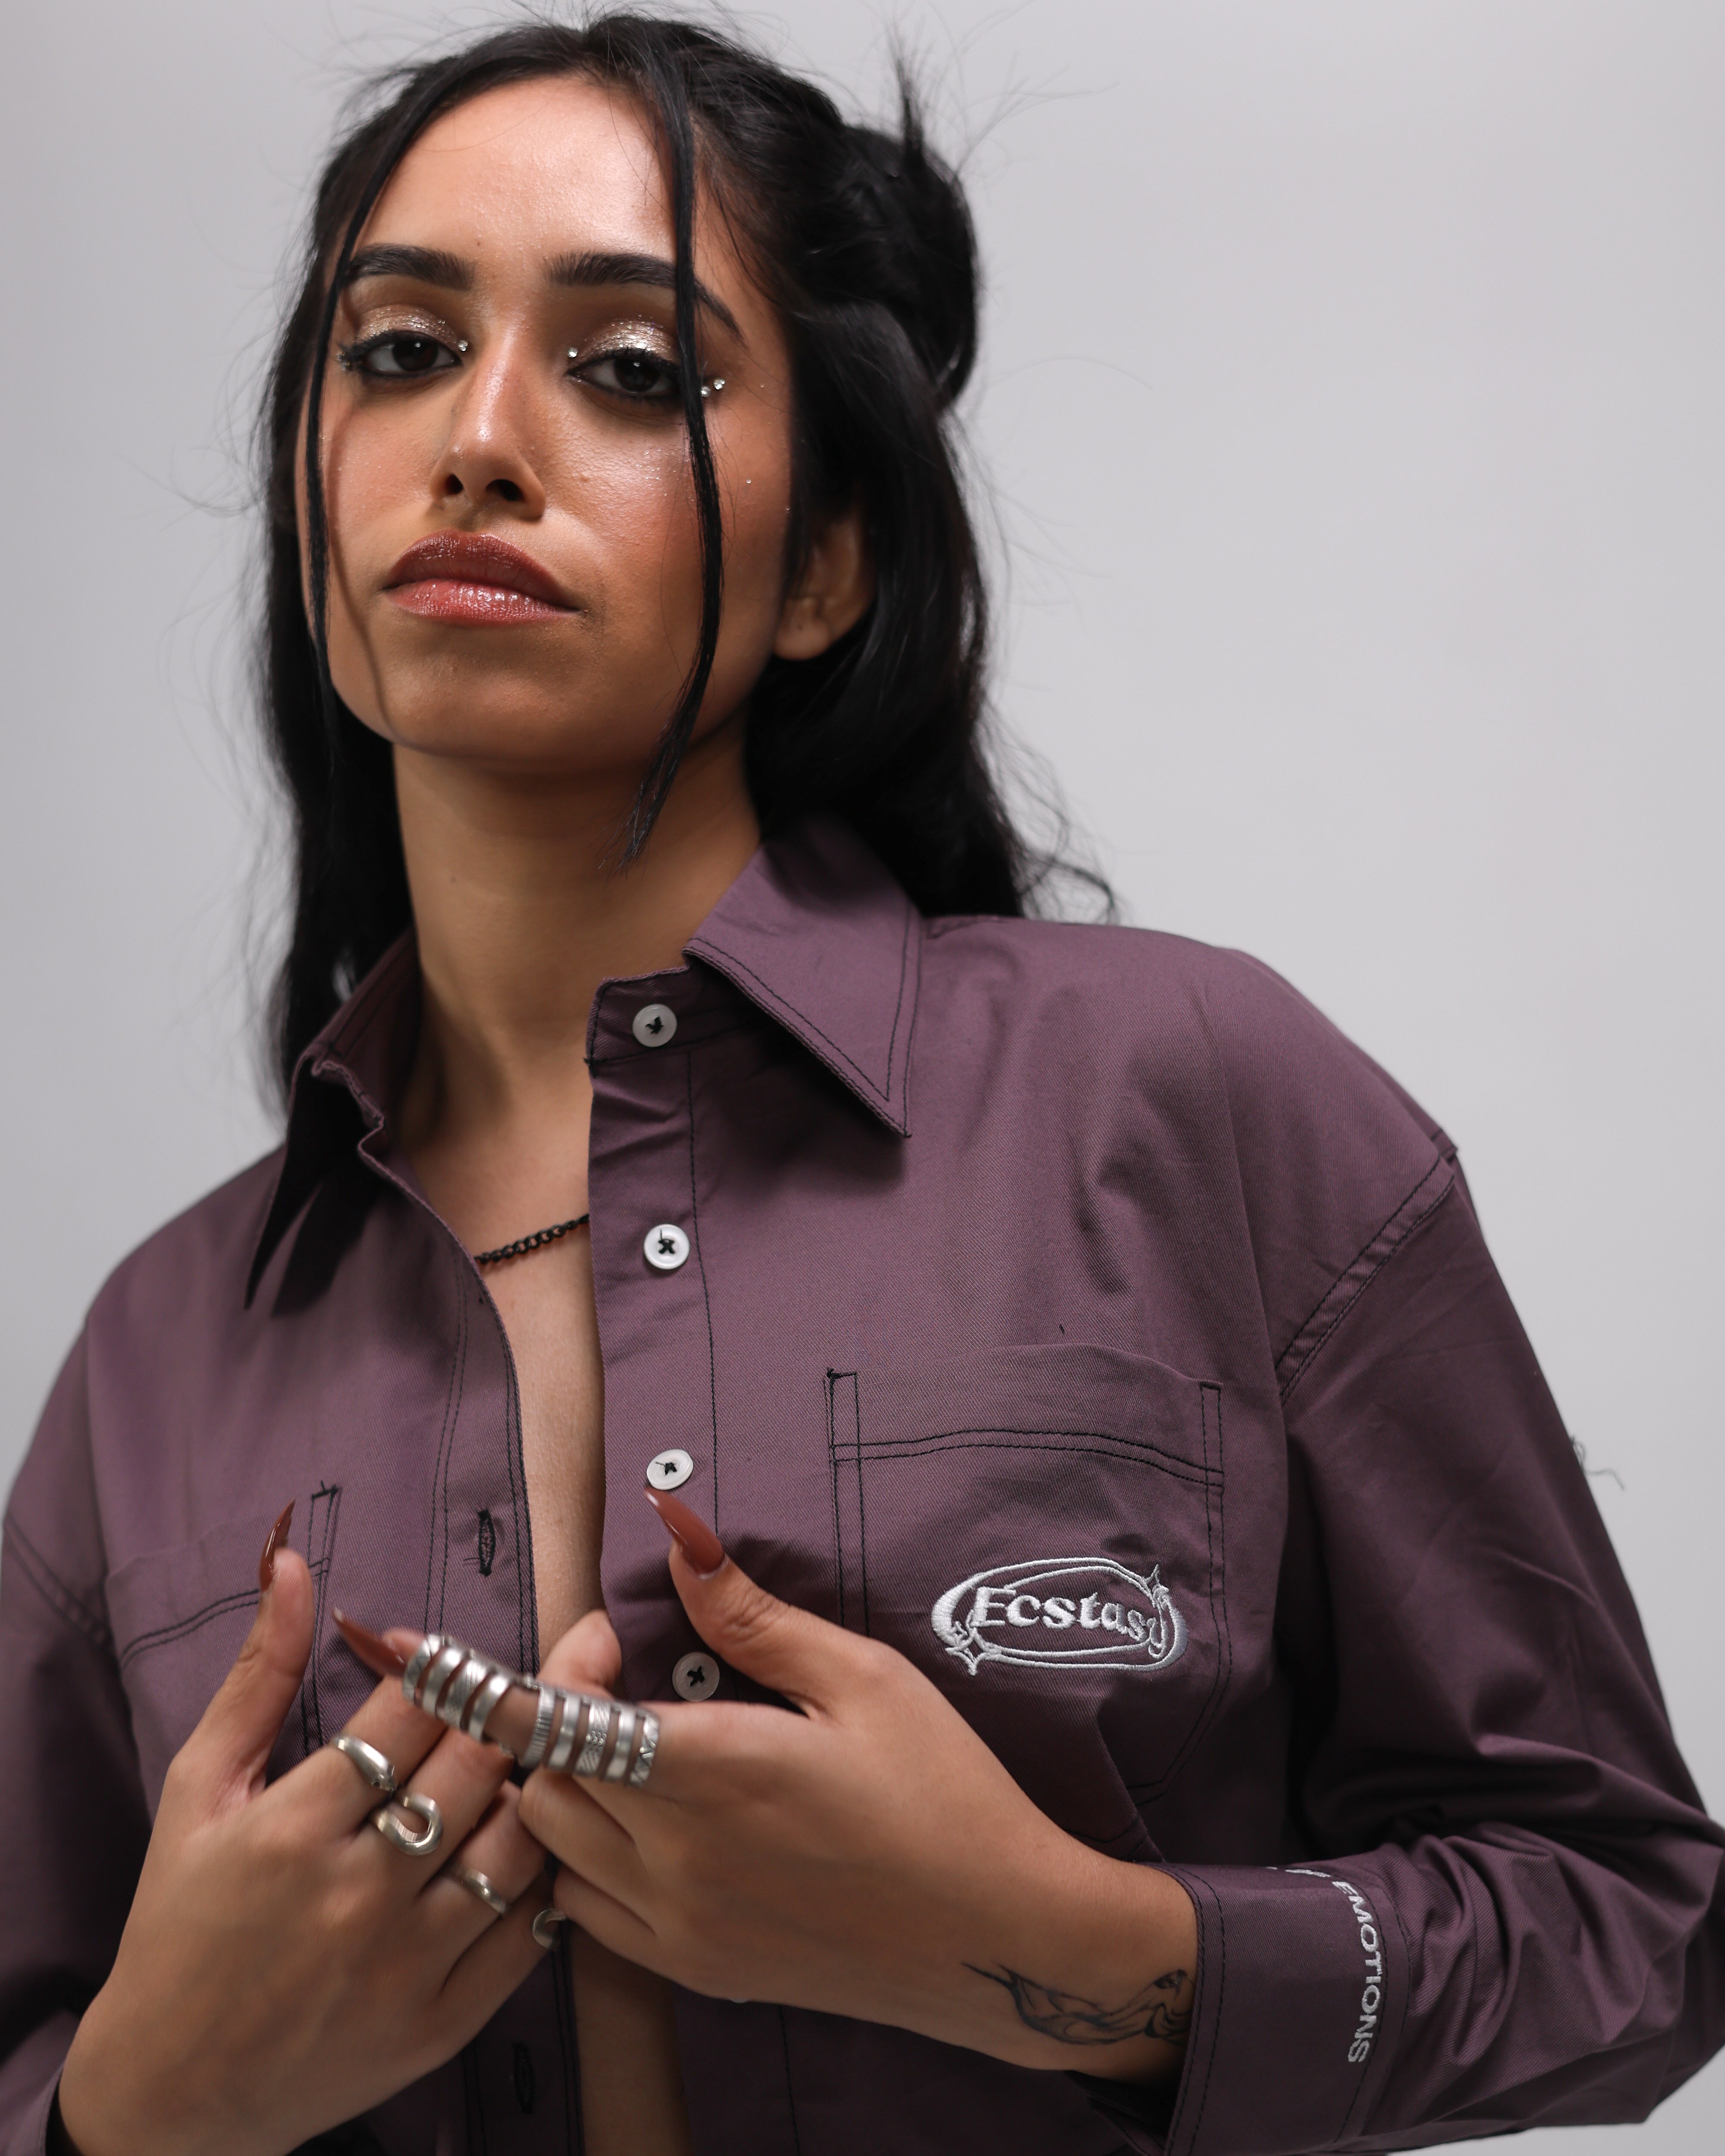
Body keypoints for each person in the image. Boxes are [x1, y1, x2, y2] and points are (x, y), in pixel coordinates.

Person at [1, 14, 1720, 2156]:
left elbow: (1633, 1922)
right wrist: (133, 2109)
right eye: (401, 350)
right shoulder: (156, 1358)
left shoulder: (1192, 1107)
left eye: (632, 369)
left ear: (826, 560)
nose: (478, 440)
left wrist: (1065, 1948)